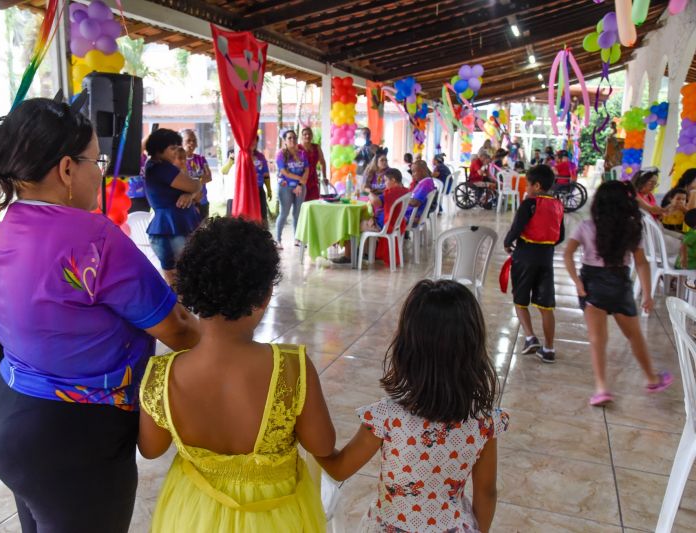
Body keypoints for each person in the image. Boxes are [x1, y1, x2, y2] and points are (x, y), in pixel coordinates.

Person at [0, 97, 201, 533]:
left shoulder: (7, 226)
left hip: (6, 411)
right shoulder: (93, 238)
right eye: (95, 160)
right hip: (70, 437)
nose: (101, 172)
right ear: (65, 170)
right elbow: (179, 328)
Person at [138, 217, 334, 532]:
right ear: (266, 295)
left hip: (192, 514)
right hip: (276, 516)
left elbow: (151, 449)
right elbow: (323, 445)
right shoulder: (292, 369)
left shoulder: (162, 375)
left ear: (188, 291)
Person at [315, 279, 509, 533]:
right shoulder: (484, 422)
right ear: (473, 348)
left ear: (407, 349)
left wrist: (310, 439)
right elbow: (486, 493)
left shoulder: (387, 417)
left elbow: (340, 469)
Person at [563, 181, 673, 406]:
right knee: (635, 336)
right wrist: (647, 294)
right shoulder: (631, 228)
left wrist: (577, 282)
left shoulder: (585, 226)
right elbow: (641, 263)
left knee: (597, 340)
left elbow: (567, 254)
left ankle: (602, 388)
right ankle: (652, 378)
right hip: (619, 284)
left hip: (591, 284)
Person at [504, 165, 565, 363]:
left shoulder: (529, 204)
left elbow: (516, 228)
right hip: (546, 258)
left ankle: (530, 337)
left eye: (528, 185)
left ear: (537, 186)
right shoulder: (558, 205)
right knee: (546, 306)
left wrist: (508, 242)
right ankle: (549, 348)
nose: (526, 189)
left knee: (520, 300)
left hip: (525, 256)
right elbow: (560, 235)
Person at [144, 128, 202, 286]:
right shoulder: (162, 168)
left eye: (177, 147)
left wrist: (191, 194)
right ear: (158, 150)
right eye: (171, 148)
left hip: (171, 226)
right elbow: (195, 185)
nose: (175, 152)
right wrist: (193, 189)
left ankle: (178, 309)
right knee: (179, 277)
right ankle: (179, 309)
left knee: (176, 277)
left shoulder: (156, 166)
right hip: (172, 227)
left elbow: (198, 193)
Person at [332, 168, 409, 265]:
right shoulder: (403, 190)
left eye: (386, 181)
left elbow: (376, 202)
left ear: (393, 180)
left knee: (350, 223)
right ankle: (362, 251)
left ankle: (349, 256)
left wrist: (370, 193)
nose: (385, 184)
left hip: (385, 225)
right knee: (363, 218)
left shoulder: (393, 192)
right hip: (393, 223)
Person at [275, 129, 309, 249]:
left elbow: (307, 169)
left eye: (294, 137)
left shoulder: (302, 154)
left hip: (300, 187)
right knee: (284, 213)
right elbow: (285, 172)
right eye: (289, 138)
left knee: (297, 213)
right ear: (284, 140)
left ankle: (297, 239)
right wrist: (301, 179)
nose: (292, 140)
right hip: (285, 187)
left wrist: (300, 184)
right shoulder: (281, 154)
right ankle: (277, 240)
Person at [181, 129, 212, 220]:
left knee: (204, 229)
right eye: (188, 140)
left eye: (194, 140)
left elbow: (209, 177)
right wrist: (199, 180)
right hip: (187, 202)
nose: (191, 143)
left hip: (202, 201)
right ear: (181, 143)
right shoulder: (180, 161)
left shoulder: (201, 159)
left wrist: (192, 181)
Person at [299, 126, 327, 201]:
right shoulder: (297, 148)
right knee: (302, 203)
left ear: (312, 135)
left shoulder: (316, 147)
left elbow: (322, 162)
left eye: (309, 134)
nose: (307, 136)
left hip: (313, 179)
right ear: (301, 136)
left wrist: (324, 177)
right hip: (301, 179)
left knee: (315, 201)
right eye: (305, 134)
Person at [252, 135, 272, 227]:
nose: (253, 143)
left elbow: (266, 175)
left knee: (262, 216)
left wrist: (269, 190)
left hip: (259, 189)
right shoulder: (242, 155)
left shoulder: (260, 157)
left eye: (255, 140)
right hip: (247, 192)